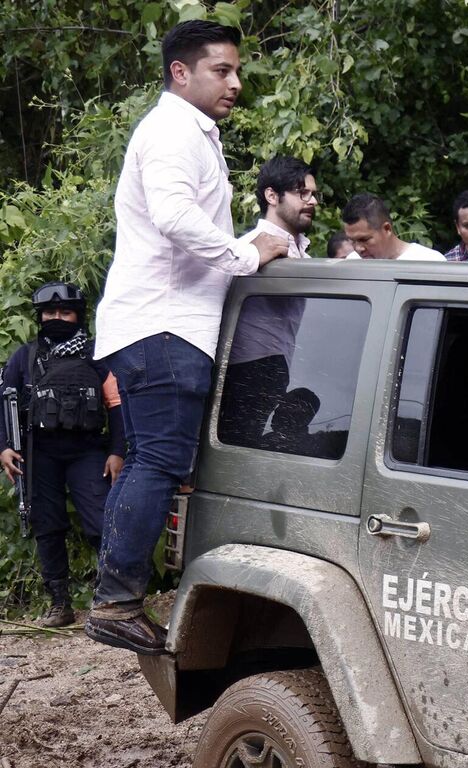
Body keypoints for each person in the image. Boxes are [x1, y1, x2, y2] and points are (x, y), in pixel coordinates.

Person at [90, 19, 290, 654]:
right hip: (164, 322)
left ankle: (116, 595)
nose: (235, 83)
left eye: (236, 71)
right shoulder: (173, 131)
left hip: (165, 323)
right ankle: (115, 600)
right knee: (159, 459)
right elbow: (176, 217)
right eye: (221, 71)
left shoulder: (189, 133)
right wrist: (246, 253)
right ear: (181, 72)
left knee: (155, 457)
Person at [1, 283, 128, 628]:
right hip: (36, 454)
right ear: (40, 316)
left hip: (87, 451)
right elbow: (5, 402)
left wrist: (117, 451)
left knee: (101, 522)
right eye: (50, 313)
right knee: (48, 526)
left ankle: (112, 601)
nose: (57, 318)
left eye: (65, 312)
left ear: (77, 316)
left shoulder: (96, 356)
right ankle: (60, 604)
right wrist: (4, 446)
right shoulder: (23, 357)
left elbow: (116, 406)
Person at [221, 156, 317, 446]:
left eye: (314, 194)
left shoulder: (305, 256)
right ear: (271, 195)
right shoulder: (245, 250)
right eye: (302, 193)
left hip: (278, 368)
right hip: (246, 370)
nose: (312, 201)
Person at [341, 193, 443, 260]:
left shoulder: (428, 261)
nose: (358, 248)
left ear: (387, 229)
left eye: (364, 239)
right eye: (353, 241)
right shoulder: (352, 263)